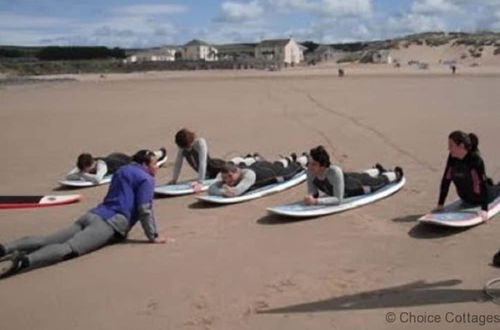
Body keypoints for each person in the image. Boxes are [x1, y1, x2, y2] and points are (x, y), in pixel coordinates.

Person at [0, 150, 167, 278]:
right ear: (145, 165)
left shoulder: (123, 170)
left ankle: (5, 248)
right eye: (154, 163)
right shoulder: (146, 179)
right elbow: (144, 209)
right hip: (108, 223)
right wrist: (153, 236)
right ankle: (25, 261)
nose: (156, 166)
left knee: (48, 239)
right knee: (70, 248)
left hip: (93, 214)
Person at [303, 146, 403, 206]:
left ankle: (395, 173)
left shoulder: (334, 173)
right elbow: (314, 193)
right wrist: (310, 196)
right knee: (362, 175)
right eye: (310, 163)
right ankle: (378, 169)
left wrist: (316, 202)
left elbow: (338, 199)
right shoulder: (310, 171)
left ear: (323, 165)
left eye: (314, 164)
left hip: (355, 186)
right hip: (347, 178)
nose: (310, 166)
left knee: (376, 182)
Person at [434, 131, 500, 221]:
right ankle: (490, 182)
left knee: (496, 188)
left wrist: (484, 210)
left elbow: (482, 184)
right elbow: (446, 180)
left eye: (451, 145)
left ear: (461, 146)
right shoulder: (452, 157)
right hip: (465, 198)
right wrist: (440, 204)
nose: (448, 148)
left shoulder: (475, 159)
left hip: (481, 198)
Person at [208, 154, 307, 197]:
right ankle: (288, 159)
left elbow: (235, 192)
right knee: (275, 164)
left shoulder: (249, 176)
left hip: (271, 172)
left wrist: (224, 190)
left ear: (236, 172)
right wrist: (224, 189)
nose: (227, 181)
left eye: (229, 176)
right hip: (259, 165)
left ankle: (303, 159)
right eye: (224, 178)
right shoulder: (229, 177)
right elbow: (211, 189)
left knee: (288, 173)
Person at [66, 148, 167, 184]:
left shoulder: (101, 164)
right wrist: (81, 173)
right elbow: (68, 176)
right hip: (112, 157)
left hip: (121, 161)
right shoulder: (83, 164)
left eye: (87, 170)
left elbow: (97, 179)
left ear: (92, 164)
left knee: (139, 157)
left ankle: (161, 153)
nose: (86, 172)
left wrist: (82, 175)